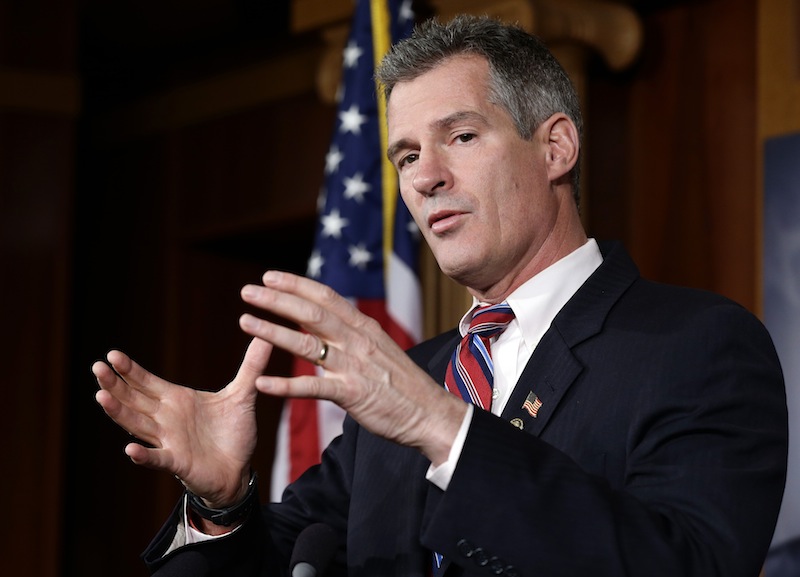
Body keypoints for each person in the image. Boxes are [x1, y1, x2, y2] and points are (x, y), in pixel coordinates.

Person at [93, 15, 788, 577]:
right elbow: (281, 556)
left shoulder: (697, 345)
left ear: (557, 148)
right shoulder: (411, 377)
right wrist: (225, 503)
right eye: (406, 156)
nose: (424, 178)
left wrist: (444, 429)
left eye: (459, 136)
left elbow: (690, 561)